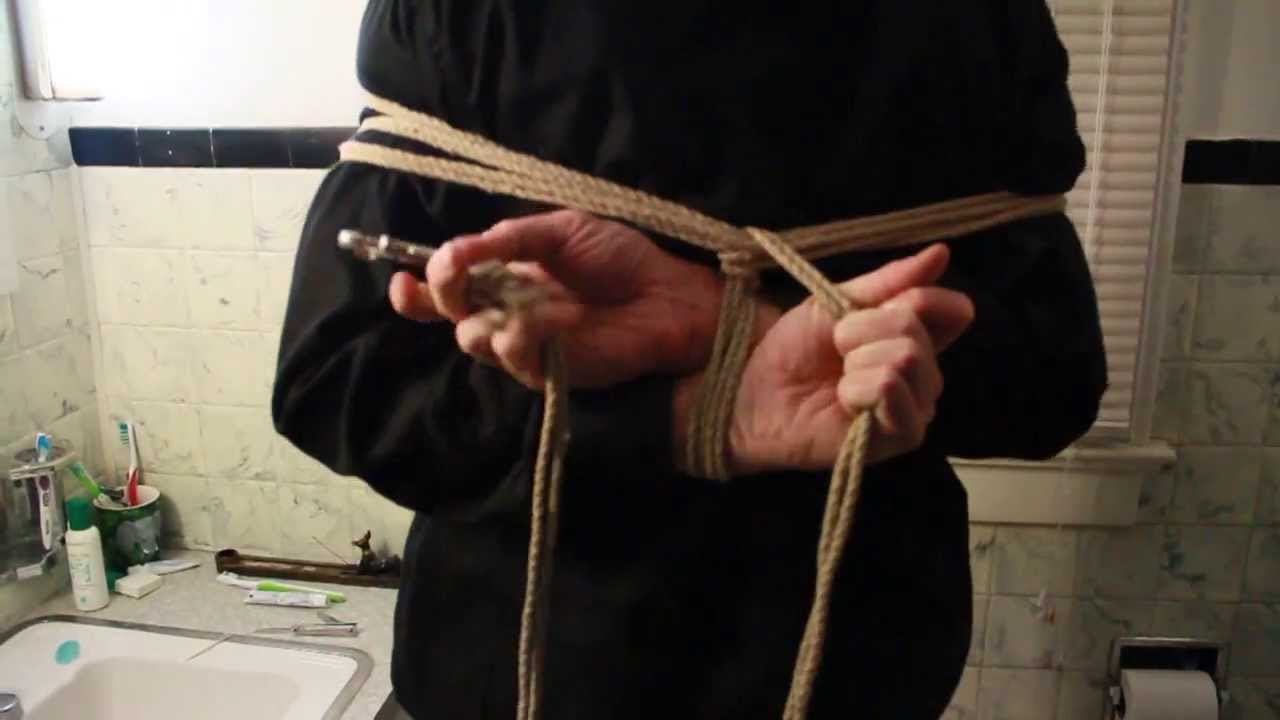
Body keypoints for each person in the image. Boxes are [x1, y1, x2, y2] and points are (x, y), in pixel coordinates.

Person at [273, 1, 1107, 717]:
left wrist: (732, 322)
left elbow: (1050, 375)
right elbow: (342, 373)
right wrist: (689, 416)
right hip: (533, 662)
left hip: (838, 657)